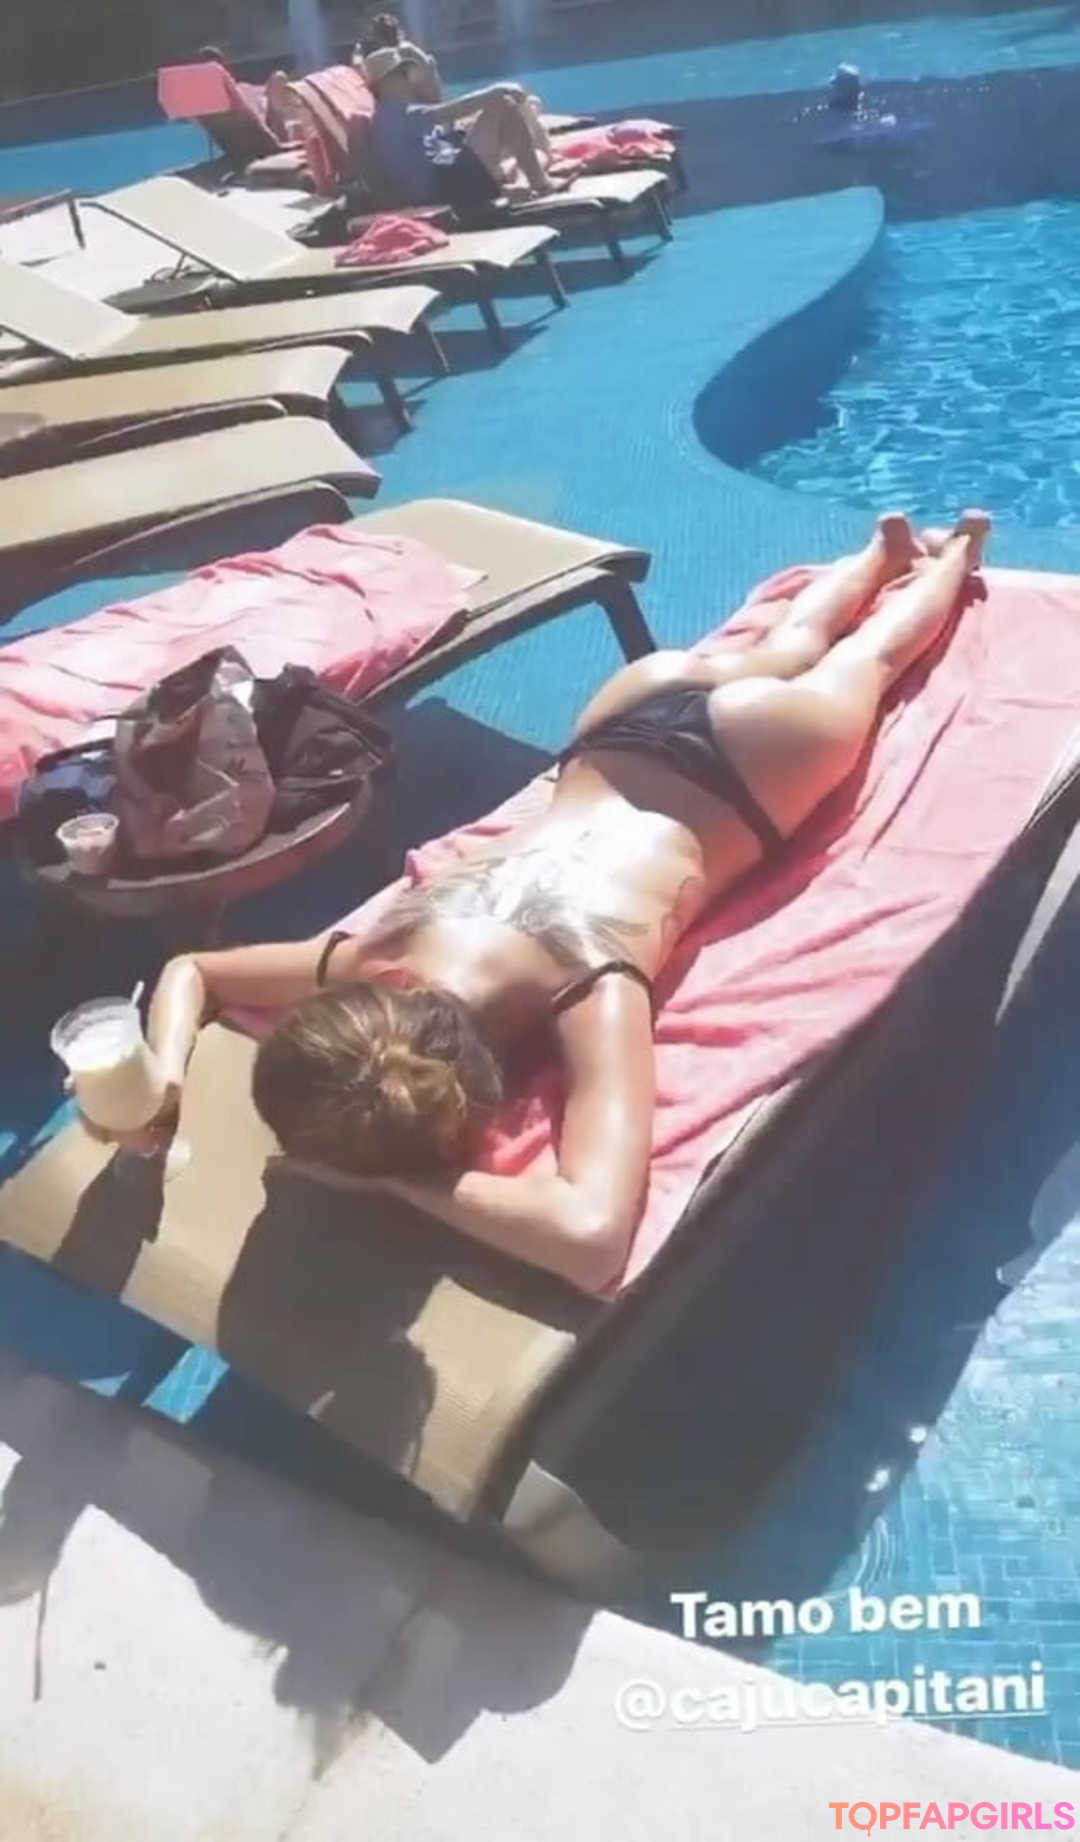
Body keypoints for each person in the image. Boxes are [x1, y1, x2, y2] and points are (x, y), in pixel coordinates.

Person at [97, 511, 990, 1293]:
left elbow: (590, 1241)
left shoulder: (590, 988)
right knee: (787, 646)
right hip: (621, 728)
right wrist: (163, 1073)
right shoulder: (384, 955)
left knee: (872, 658)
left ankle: (954, 557)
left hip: (751, 772)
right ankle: (888, 554)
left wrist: (390, 1179)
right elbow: (194, 971)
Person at [364, 44, 563, 206]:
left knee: (523, 151)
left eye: (406, 73)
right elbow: (450, 111)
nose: (408, 79)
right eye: (401, 75)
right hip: (443, 188)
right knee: (502, 105)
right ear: (384, 83)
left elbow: (443, 130)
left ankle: (518, 185)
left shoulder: (399, 110)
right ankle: (540, 184)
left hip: (449, 176)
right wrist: (497, 90)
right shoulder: (391, 114)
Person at [357, 10, 443, 102]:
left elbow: (364, 83)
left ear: (376, 37)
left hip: (412, 107)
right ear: (399, 32)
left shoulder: (380, 57)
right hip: (434, 103)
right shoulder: (414, 50)